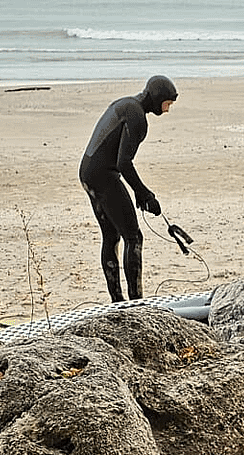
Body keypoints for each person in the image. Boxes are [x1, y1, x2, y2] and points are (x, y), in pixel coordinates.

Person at [79, 75, 177, 304]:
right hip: (104, 176)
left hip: (87, 172)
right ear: (158, 98)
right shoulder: (137, 117)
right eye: (167, 104)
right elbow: (124, 162)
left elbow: (117, 158)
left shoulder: (126, 103)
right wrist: (145, 193)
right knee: (133, 237)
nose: (168, 110)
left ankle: (118, 300)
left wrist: (137, 192)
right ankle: (136, 302)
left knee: (111, 236)